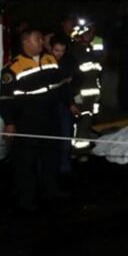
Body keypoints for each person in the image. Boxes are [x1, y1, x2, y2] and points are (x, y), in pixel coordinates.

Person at [0, 29, 72, 211]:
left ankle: (51, 190)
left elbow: (61, 85)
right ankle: (27, 198)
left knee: (51, 155)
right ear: (26, 42)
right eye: (38, 39)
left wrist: (70, 103)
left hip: (51, 116)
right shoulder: (13, 68)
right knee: (26, 160)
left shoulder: (49, 59)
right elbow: (6, 99)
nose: (42, 42)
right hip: (27, 120)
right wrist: (9, 122)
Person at [49, 35, 80, 175]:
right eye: (56, 50)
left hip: (64, 105)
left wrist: (71, 102)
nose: (59, 54)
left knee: (66, 137)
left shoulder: (69, 61)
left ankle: (64, 168)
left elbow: (77, 79)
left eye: (62, 50)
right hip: (48, 106)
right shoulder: (45, 61)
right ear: (50, 48)